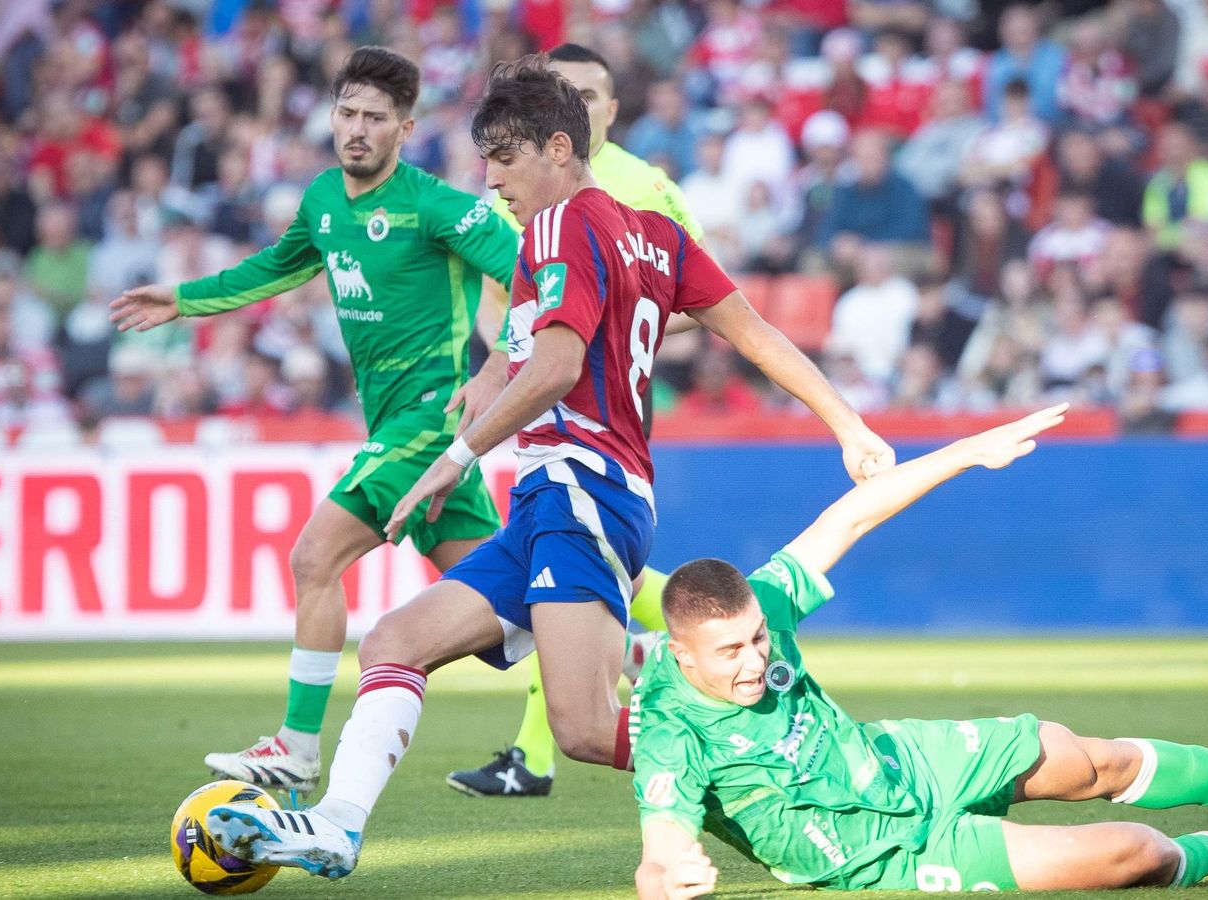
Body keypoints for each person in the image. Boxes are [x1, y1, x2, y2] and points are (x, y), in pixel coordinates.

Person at [204, 55, 893, 878]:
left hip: (583, 491)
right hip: (558, 500)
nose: (491, 179)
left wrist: (456, 456)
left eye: (504, 157)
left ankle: (789, 759)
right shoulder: (652, 235)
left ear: (558, 148)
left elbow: (559, 365)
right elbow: (739, 334)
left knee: (583, 729)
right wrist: (846, 423)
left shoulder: (562, 227)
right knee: (393, 640)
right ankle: (338, 825)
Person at [630, 404, 1208, 898]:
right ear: (683, 655)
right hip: (876, 851)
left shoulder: (761, 606)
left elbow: (850, 518)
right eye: (730, 651)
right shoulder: (667, 726)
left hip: (901, 761)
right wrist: (671, 869)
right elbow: (662, 833)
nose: (755, 659)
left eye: (758, 638)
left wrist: (964, 452)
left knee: (1089, 759)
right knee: (1133, 853)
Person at [107, 47, 522, 795]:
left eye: (376, 117)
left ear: (406, 128)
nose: (358, 129)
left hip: (428, 423)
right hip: (393, 426)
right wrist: (184, 297)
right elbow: (273, 268)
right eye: (348, 113)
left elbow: (532, 272)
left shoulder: (436, 205)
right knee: (513, 606)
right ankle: (643, 664)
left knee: (313, 559)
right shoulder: (326, 200)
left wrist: (498, 367)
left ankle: (297, 747)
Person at [449, 43, 707, 798]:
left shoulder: (642, 187)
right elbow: (521, 295)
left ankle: (708, 643)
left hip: (599, 426)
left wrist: (608, 326)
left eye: (595, 94)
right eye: (571, 92)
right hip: (543, 418)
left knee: (566, 588)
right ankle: (669, 652)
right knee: (564, 589)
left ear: (612, 110)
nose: (584, 105)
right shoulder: (527, 179)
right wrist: (501, 360)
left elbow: (694, 298)